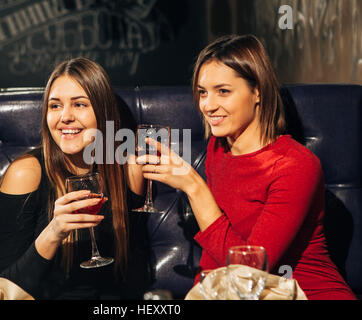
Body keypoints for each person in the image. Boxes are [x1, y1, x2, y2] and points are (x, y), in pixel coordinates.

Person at [139, 35, 356, 300]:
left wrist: (194, 187)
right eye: (202, 92)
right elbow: (216, 256)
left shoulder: (296, 166)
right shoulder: (218, 148)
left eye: (223, 91)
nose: (207, 105)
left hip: (307, 292)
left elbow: (251, 270)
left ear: (258, 92)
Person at [0, 57, 151, 299]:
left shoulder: (128, 170)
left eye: (79, 105)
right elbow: (2, 289)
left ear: (103, 112)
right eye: (55, 106)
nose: (64, 117)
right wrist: (54, 231)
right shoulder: (26, 173)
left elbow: (133, 273)